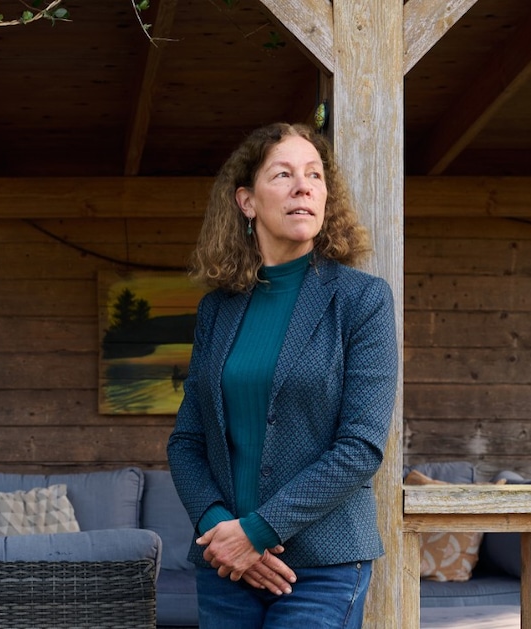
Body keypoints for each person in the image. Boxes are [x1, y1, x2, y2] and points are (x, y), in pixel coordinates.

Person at [167, 122, 399, 629]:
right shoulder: (217, 311)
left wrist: (258, 530)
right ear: (247, 202)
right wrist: (220, 532)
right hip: (227, 566)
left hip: (322, 565)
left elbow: (361, 446)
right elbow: (186, 441)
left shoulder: (362, 300)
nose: (304, 187)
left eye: (315, 175)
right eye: (284, 174)